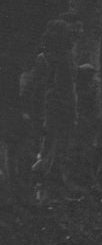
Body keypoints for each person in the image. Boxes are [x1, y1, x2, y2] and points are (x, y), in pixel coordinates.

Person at [25, 18, 78, 202]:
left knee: (55, 150)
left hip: (56, 109)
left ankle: (49, 190)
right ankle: (42, 191)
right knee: (51, 149)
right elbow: (57, 89)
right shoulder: (57, 58)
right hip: (56, 110)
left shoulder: (60, 57)